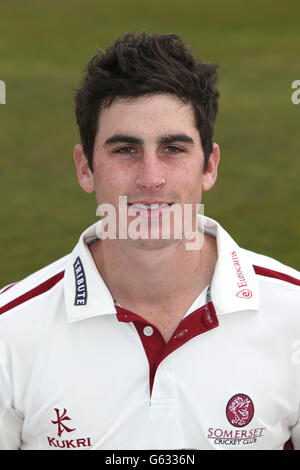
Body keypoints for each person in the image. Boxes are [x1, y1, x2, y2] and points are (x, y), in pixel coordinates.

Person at [0, 32, 299, 451]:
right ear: (85, 168)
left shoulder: (294, 314)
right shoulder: (9, 332)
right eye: (125, 149)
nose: (150, 178)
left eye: (173, 149)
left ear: (209, 166)